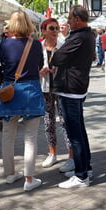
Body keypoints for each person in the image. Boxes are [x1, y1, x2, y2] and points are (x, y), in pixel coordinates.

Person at [0, 11, 45, 192]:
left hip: (10, 90)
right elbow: (39, 66)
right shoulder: (35, 45)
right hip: (31, 89)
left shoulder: (5, 44)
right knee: (30, 137)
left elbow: (3, 64)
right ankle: (29, 178)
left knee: (8, 135)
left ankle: (10, 173)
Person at [52, 5, 95, 188]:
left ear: (77, 19)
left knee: (75, 133)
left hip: (71, 89)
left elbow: (58, 58)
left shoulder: (79, 37)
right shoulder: (89, 35)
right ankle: (85, 167)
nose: (68, 22)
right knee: (79, 131)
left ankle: (81, 176)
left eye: (70, 18)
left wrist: (55, 53)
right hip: (77, 87)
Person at [38, 18, 73, 169]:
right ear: (44, 31)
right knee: (48, 122)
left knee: (65, 122)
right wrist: (41, 72)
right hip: (45, 87)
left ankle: (71, 156)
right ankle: (52, 153)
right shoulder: (38, 47)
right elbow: (33, 69)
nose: (55, 31)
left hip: (62, 88)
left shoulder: (64, 46)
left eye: (57, 28)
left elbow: (71, 67)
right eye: (52, 28)